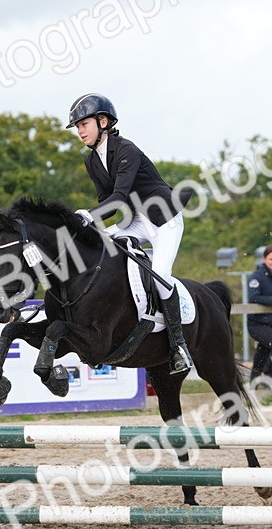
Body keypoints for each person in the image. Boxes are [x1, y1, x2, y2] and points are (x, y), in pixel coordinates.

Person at [66, 92, 193, 373]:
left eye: (83, 124)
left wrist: (88, 215)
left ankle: (178, 345)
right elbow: (106, 204)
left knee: (160, 274)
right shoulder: (92, 161)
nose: (80, 132)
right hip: (135, 220)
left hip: (163, 221)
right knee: (100, 251)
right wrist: (90, 224)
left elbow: (119, 196)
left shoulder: (127, 150)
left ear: (103, 121)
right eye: (77, 127)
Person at [245, 244, 272, 383]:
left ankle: (255, 381)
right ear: (265, 259)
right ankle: (267, 372)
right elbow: (254, 297)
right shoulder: (256, 276)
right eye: (271, 259)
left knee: (262, 353)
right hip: (257, 323)